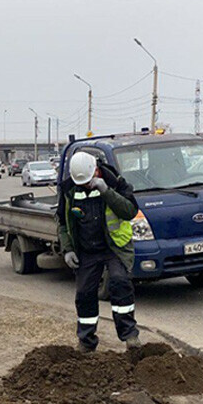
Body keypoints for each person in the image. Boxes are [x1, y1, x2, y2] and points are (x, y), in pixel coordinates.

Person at [57, 151, 141, 352]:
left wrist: (107, 192)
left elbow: (129, 211)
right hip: (87, 251)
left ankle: (130, 336)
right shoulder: (69, 190)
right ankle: (86, 342)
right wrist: (68, 249)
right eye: (81, 182)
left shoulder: (114, 182)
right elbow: (61, 222)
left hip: (114, 248)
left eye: (88, 181)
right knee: (84, 293)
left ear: (95, 170)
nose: (85, 185)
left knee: (120, 283)